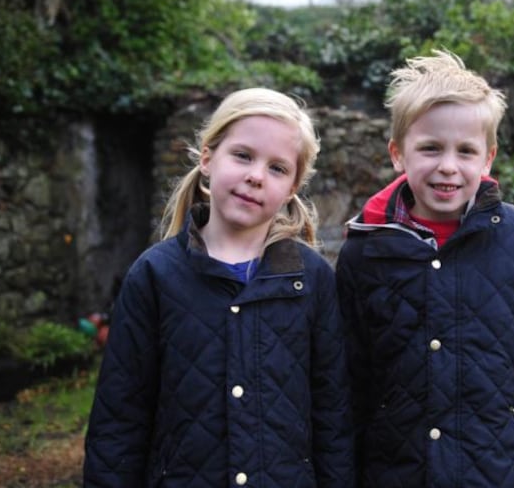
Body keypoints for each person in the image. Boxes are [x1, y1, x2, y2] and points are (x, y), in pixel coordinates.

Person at [336, 50, 514, 487]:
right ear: (399, 154)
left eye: (466, 151)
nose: (448, 166)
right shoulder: (364, 252)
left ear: (488, 158)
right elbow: (347, 388)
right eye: (431, 148)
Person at [84, 88, 354, 487]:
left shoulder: (311, 279)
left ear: (293, 187)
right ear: (208, 159)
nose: (255, 176)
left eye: (277, 168)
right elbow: (119, 422)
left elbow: (333, 418)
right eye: (243, 155)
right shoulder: (154, 276)